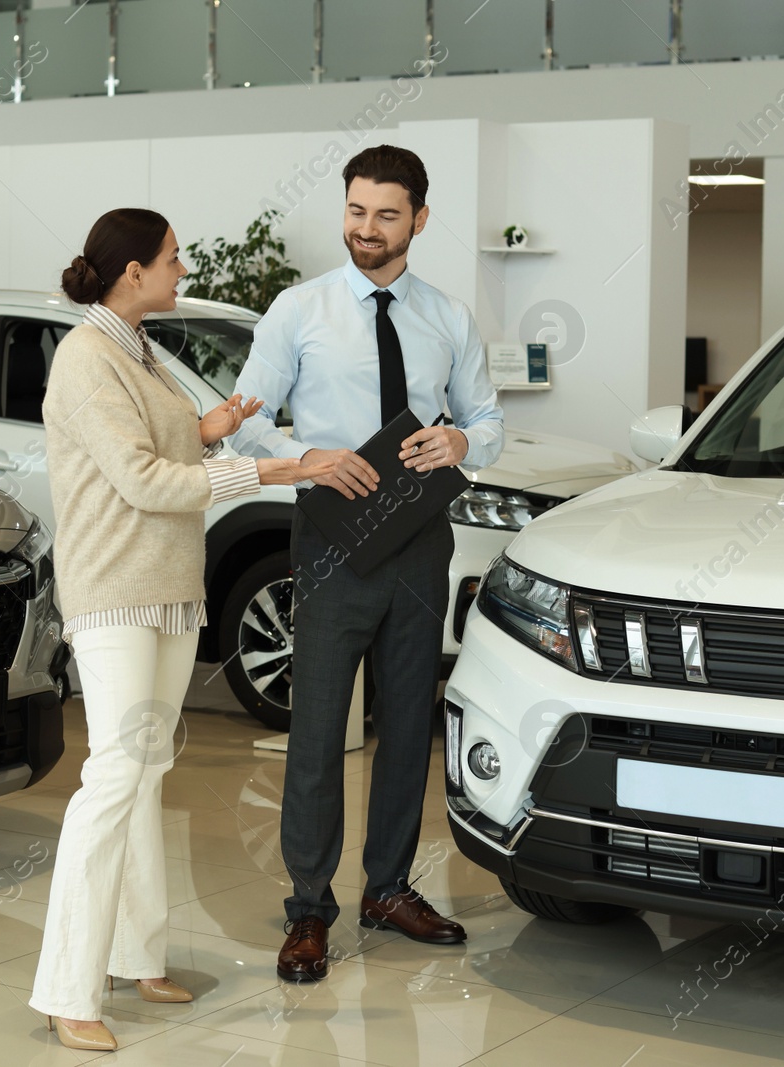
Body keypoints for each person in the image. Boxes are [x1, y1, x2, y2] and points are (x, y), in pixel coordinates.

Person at [29, 207, 331, 1050]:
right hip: (116, 591)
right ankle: (66, 988)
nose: (183, 268)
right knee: (116, 772)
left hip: (163, 589)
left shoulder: (141, 347)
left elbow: (165, 445)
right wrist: (266, 468)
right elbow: (139, 479)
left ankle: (135, 955)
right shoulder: (87, 356)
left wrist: (211, 429)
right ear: (131, 272)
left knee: (148, 767)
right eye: (171, 258)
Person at [229, 145, 505, 981]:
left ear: (419, 218)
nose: (366, 231)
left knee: (405, 730)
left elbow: (489, 422)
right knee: (315, 731)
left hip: (421, 543)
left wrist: (461, 438)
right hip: (331, 545)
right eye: (356, 212)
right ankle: (309, 907)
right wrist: (308, 454)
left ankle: (387, 888)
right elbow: (245, 420)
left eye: (386, 215)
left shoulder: (448, 317)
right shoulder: (298, 310)